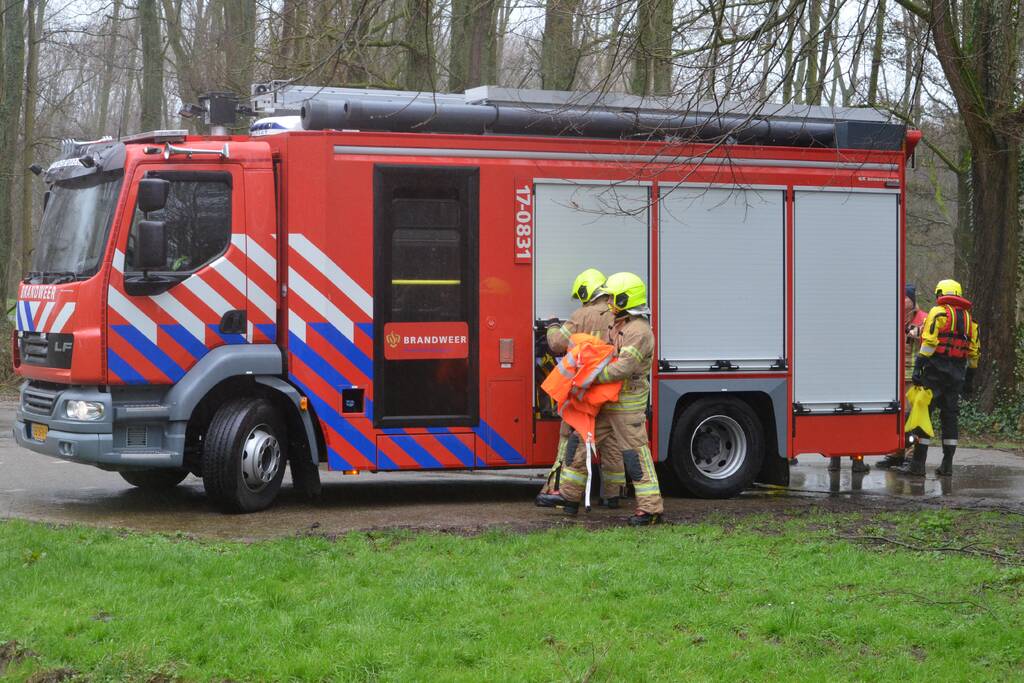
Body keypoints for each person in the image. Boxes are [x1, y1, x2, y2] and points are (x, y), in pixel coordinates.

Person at [539, 272, 664, 526]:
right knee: (579, 443)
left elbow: (623, 368)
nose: (609, 303)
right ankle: (570, 498)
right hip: (607, 401)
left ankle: (651, 510)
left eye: (614, 298)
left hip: (627, 404)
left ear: (626, 299)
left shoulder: (639, 331)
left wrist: (591, 377)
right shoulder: (619, 324)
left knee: (635, 454)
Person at [535, 269, 622, 506]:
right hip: (611, 388)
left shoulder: (581, 315)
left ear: (586, 291)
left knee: (570, 435)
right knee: (611, 440)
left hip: (585, 390)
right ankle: (612, 495)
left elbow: (555, 343)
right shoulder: (618, 315)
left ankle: (562, 489)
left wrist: (552, 324)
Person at [896, 278, 981, 477]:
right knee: (950, 419)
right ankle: (947, 465)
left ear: (941, 294)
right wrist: (968, 380)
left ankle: (917, 465)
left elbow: (930, 343)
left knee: (922, 416)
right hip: (957, 376)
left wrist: (918, 367)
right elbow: (975, 353)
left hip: (934, 374)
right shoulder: (971, 321)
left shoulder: (938, 312)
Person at [877, 283, 928, 469]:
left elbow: (930, 338)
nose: (902, 300)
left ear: (912, 301)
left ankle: (911, 455)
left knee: (912, 417)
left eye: (905, 297)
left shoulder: (924, 318)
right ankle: (894, 452)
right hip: (894, 376)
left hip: (914, 375)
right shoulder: (893, 317)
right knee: (895, 415)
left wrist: (915, 333)